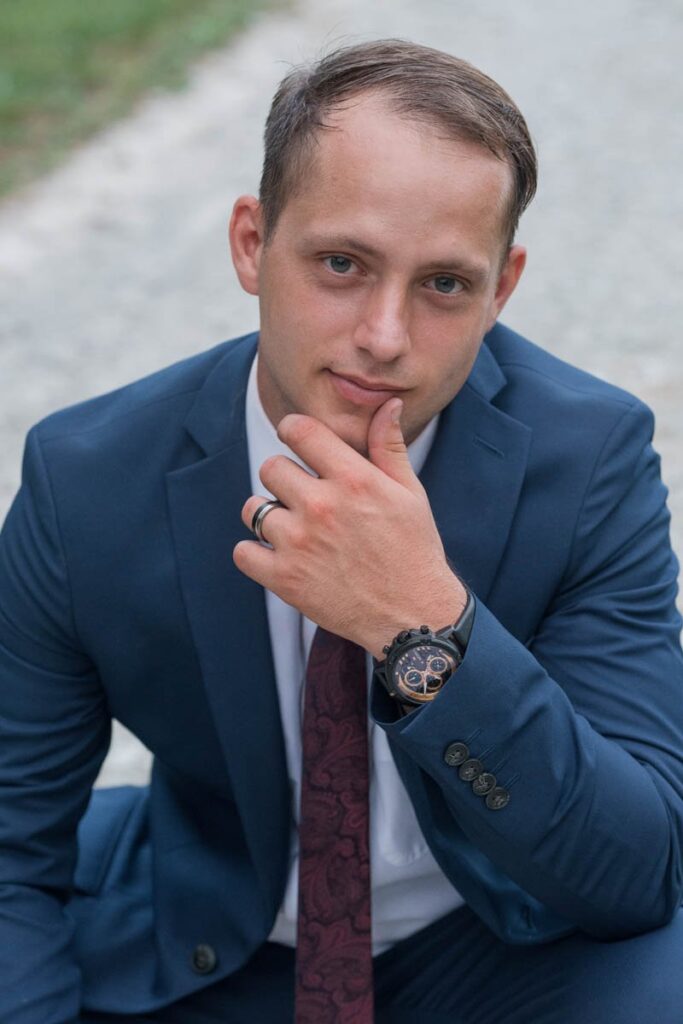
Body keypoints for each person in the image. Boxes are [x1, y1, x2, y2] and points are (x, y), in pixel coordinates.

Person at [1, 38, 682, 1024]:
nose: (384, 335)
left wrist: (425, 628)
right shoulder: (87, 479)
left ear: (501, 288)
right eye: (341, 263)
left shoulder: (589, 458)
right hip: (214, 945)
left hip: (494, 942)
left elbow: (634, 870)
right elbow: (12, 851)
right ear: (250, 242)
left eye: (444, 284)